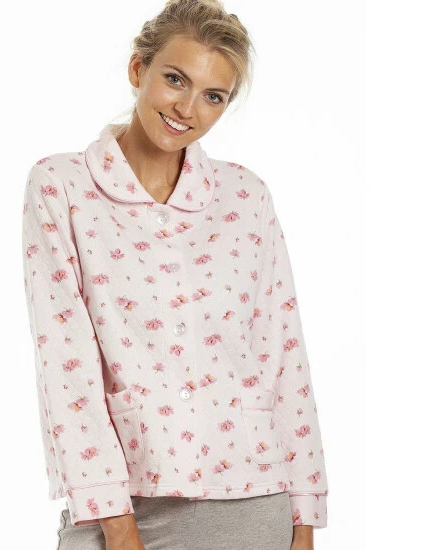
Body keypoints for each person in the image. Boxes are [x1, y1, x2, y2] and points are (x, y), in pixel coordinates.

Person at [21, 1, 329, 549]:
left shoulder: (245, 195)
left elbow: (282, 353)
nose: (187, 109)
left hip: (251, 502)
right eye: (175, 79)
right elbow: (66, 364)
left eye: (214, 96)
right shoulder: (62, 186)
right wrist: (118, 528)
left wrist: (303, 519)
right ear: (138, 68)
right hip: (121, 504)